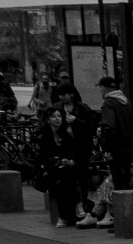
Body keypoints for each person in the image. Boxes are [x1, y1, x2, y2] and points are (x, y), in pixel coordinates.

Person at [38, 84, 96, 226]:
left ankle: (76, 209)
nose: (62, 97)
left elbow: (92, 126)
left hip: (80, 149)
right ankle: (70, 212)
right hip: (63, 151)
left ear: (72, 94)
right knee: (66, 178)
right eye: (60, 95)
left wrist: (77, 121)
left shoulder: (82, 108)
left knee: (80, 177)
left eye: (64, 94)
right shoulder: (58, 107)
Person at [94, 76, 133, 192]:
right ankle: (127, 202)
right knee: (125, 180)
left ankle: (121, 203)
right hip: (128, 147)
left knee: (118, 182)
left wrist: (107, 149)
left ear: (103, 88)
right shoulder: (125, 102)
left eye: (100, 88)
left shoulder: (109, 103)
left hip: (115, 150)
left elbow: (109, 127)